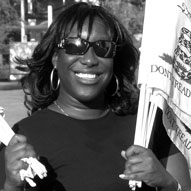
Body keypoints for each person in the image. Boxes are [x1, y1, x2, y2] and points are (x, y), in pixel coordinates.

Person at [0, 2, 190, 191]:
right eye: (75, 45)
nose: (90, 60)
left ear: (114, 58)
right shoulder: (23, 138)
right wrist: (11, 186)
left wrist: (167, 183)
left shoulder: (147, 123)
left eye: (103, 47)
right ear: (55, 58)